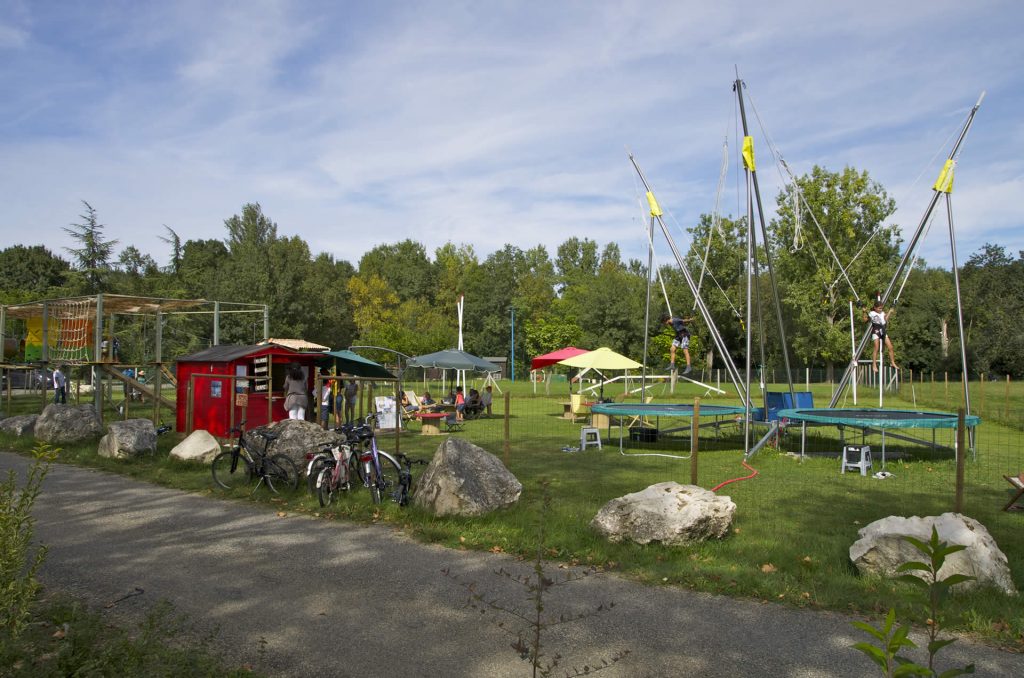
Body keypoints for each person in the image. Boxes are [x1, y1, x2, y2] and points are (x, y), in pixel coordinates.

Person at [865, 300, 897, 372]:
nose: (880, 309)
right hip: (876, 330)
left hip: (882, 330)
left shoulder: (882, 313)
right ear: (875, 308)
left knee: (890, 347)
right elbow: (865, 320)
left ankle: (892, 362)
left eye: (881, 308)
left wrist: (889, 312)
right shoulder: (872, 313)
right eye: (879, 308)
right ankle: (874, 365)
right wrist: (864, 311)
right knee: (876, 347)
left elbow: (885, 320)